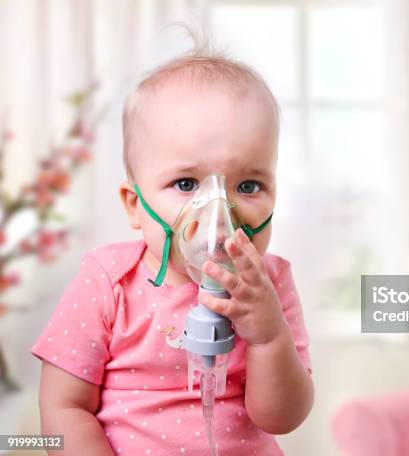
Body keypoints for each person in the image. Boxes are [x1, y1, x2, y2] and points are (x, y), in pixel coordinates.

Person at [30, 41, 313, 455]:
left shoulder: (269, 282)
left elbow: (281, 418)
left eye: (248, 186)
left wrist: (269, 337)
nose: (218, 212)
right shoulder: (109, 282)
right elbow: (63, 405)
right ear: (135, 205)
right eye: (186, 184)